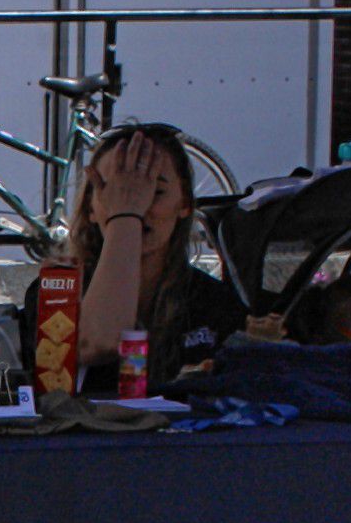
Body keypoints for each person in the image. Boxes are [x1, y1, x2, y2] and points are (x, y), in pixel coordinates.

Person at [41, 124, 249, 393]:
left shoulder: (214, 303)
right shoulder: (57, 291)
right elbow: (99, 343)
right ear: (91, 208)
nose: (137, 203)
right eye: (117, 190)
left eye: (155, 191)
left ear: (185, 202)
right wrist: (124, 216)